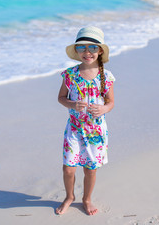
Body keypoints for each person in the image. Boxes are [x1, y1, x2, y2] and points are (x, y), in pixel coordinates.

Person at [56, 26, 115, 215]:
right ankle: (69, 197)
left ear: (100, 51)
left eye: (92, 48)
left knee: (90, 169)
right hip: (74, 129)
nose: (87, 52)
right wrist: (72, 105)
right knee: (68, 169)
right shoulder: (70, 75)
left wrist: (104, 108)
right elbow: (61, 98)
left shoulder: (106, 76)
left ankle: (86, 199)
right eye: (82, 48)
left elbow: (111, 102)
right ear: (76, 51)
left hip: (96, 132)